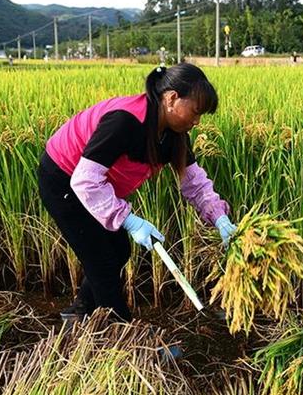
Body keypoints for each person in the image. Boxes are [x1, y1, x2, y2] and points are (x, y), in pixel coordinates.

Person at [38, 63, 237, 322]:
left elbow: (195, 183)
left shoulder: (174, 135)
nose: (197, 121)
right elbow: (85, 181)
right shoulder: (125, 122)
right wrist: (129, 220)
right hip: (63, 178)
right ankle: (121, 337)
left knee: (119, 249)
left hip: (92, 184)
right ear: (172, 98)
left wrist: (220, 219)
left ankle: (80, 312)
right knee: (101, 260)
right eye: (195, 112)